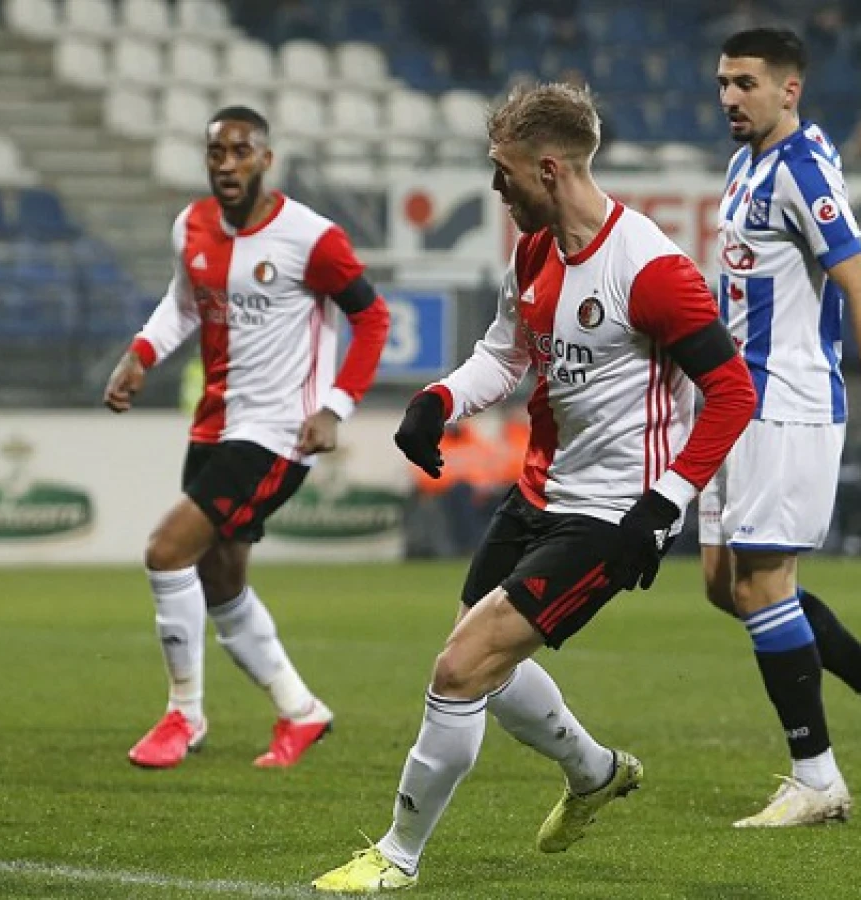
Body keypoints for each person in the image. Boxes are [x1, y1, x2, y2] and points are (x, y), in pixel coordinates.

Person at [313, 82, 757, 892]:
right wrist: (438, 400)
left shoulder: (651, 269)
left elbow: (732, 393)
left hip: (613, 516)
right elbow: (506, 353)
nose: (495, 189)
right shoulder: (533, 249)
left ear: (548, 169)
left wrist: (662, 508)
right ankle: (596, 774)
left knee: (460, 669)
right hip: (540, 492)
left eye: (503, 172)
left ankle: (397, 857)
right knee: (490, 667)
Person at [103, 106, 391, 770]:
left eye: (240, 152)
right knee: (221, 581)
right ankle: (301, 711)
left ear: (266, 159)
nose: (226, 165)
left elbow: (372, 318)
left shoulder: (311, 238)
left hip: (278, 436)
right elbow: (182, 305)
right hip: (213, 426)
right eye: (216, 153)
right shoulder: (192, 226)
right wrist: (140, 355)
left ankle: (184, 714)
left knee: (165, 551)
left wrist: (336, 408)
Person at [706, 27, 861, 828]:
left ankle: (817, 778)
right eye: (724, 82)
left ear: (787, 90)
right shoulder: (746, 164)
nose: (730, 96)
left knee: (762, 586)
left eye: (745, 83)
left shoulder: (802, 172)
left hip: (785, 401)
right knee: (723, 586)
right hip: (734, 402)